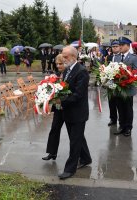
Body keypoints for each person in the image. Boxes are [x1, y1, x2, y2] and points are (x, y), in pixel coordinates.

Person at [57, 46, 92, 180]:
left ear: (73, 56)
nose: (63, 59)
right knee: (77, 137)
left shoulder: (82, 71)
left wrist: (61, 100)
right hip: (68, 111)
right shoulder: (67, 70)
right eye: (63, 56)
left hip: (78, 113)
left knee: (75, 141)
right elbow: (64, 88)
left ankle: (69, 170)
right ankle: (86, 158)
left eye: (65, 57)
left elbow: (78, 94)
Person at [113, 37, 137, 137]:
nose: (119, 47)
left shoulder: (133, 57)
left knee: (128, 108)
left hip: (128, 88)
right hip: (118, 88)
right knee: (120, 108)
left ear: (128, 46)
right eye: (119, 45)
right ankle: (122, 126)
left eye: (122, 45)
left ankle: (128, 127)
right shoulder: (116, 57)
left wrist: (130, 80)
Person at [42, 54, 66, 161]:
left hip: (68, 107)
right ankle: (52, 153)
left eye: (60, 64)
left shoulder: (69, 74)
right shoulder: (56, 74)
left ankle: (84, 156)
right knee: (54, 129)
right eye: (57, 64)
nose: (58, 66)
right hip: (58, 107)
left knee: (74, 135)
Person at [106, 40, 122, 127]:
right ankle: (113, 119)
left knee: (118, 102)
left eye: (116, 46)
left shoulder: (121, 57)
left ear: (119, 47)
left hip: (118, 82)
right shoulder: (108, 57)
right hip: (110, 82)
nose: (114, 48)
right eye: (113, 47)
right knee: (111, 102)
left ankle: (121, 119)